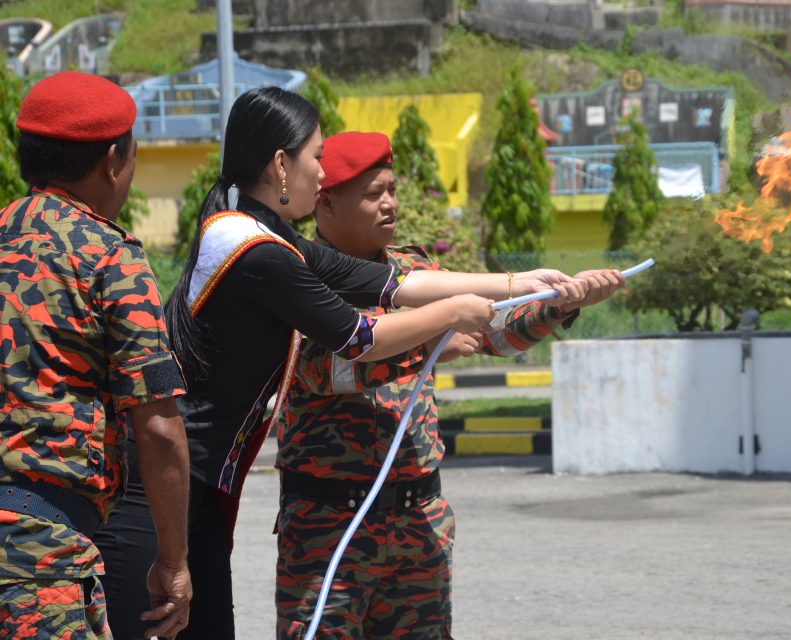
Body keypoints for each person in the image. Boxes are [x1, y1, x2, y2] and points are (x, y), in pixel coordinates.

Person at [95, 87, 586, 640]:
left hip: (200, 489)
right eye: (317, 157)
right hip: (159, 492)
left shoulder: (268, 235)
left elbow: (390, 283)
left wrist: (520, 282)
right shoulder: (254, 250)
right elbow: (357, 337)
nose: (322, 173)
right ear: (282, 164)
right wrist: (452, 313)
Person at [274, 131, 625, 639]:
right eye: (374, 193)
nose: (390, 203)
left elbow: (496, 333)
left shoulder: (416, 272)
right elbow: (333, 369)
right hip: (328, 525)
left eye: (392, 189)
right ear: (325, 203)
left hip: (417, 522)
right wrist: (440, 330)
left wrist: (561, 303)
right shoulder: (297, 276)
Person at [0, 71, 192, 639]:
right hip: (41, 558)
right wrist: (175, 561)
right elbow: (157, 427)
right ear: (114, 159)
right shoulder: (109, 258)